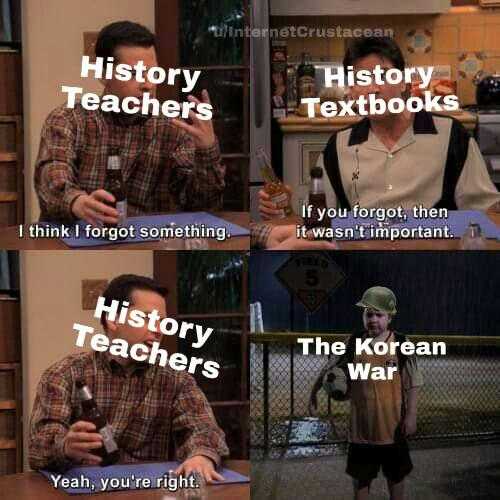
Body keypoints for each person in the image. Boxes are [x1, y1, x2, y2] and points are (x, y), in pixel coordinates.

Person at [260, 37, 500, 219]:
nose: (373, 89)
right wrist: (285, 212)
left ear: (404, 81)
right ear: (352, 92)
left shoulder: (453, 137)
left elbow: (486, 213)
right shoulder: (338, 147)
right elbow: (319, 226)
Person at [29, 274, 229, 482]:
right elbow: (37, 449)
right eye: (146, 318)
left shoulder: (176, 379)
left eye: (162, 322)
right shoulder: (64, 374)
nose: (159, 330)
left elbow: (204, 429)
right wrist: (65, 447)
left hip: (150, 493)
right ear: (113, 320)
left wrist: (201, 457)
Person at [34, 21, 225, 224]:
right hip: (78, 241)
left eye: (154, 74)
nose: (148, 85)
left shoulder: (173, 127)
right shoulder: (69, 119)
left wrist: (207, 151)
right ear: (103, 74)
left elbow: (203, 206)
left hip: (146, 241)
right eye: (133, 74)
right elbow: (51, 179)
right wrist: (77, 202)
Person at [309, 286, 423, 500]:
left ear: (390, 318)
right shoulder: (353, 342)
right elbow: (330, 368)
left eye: (379, 314)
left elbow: (413, 382)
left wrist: (411, 415)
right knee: (361, 480)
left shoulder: (400, 343)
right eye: (368, 314)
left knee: (396, 478)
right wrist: (314, 392)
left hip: (393, 429)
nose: (373, 319)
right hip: (361, 432)